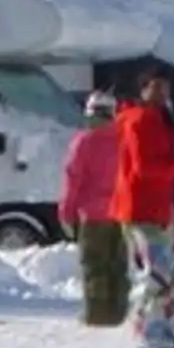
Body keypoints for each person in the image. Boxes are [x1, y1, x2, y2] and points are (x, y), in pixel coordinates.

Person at [112, 67, 174, 348]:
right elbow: (143, 167)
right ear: (143, 89)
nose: (162, 93)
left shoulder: (160, 119)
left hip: (162, 209)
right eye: (156, 87)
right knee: (156, 273)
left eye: (166, 87)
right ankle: (146, 327)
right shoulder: (139, 120)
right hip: (141, 211)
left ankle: (164, 328)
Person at [58, 90, 130, 328]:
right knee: (118, 265)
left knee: (94, 265)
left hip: (93, 215)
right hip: (121, 213)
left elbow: (73, 179)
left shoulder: (84, 142)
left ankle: (97, 316)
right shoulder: (126, 140)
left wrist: (66, 212)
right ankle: (119, 313)